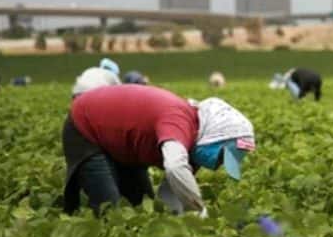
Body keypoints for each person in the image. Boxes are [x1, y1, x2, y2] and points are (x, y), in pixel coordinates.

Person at [62, 85, 255, 215]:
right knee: (108, 206)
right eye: (221, 156)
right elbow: (174, 167)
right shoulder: (180, 121)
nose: (218, 164)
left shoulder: (194, 148)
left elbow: (171, 192)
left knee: (141, 203)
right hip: (86, 127)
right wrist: (198, 211)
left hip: (124, 147)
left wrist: (180, 221)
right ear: (215, 136)